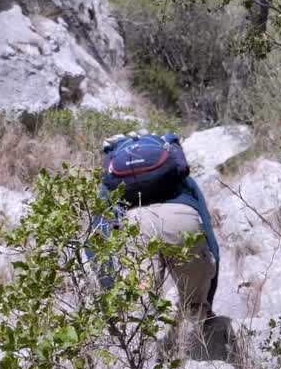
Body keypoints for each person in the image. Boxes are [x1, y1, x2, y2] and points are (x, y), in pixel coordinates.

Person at [94, 131, 220, 326]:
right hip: (182, 219)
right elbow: (210, 236)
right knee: (194, 306)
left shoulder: (114, 179)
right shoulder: (176, 173)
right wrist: (207, 300)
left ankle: (143, 340)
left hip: (136, 224)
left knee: (140, 308)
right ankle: (195, 334)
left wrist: (109, 288)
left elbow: (99, 232)